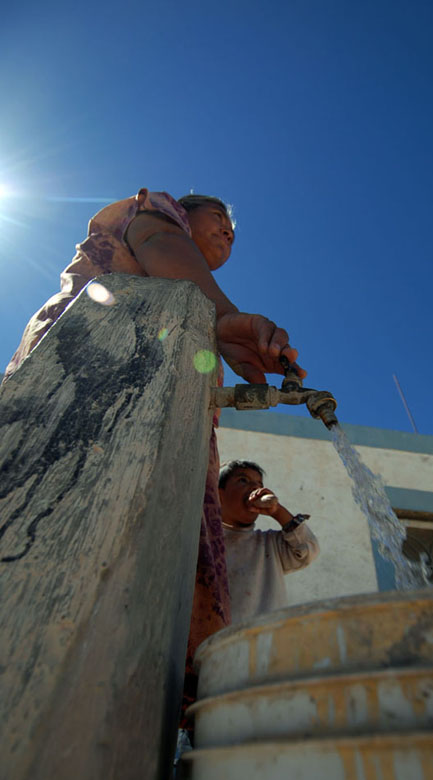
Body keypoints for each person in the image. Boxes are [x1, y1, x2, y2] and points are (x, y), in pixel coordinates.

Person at [3, 188, 306, 711]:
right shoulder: (157, 213)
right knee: (61, 558)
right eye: (218, 217)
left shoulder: (193, 304)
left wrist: (216, 327)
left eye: (233, 231)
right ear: (184, 212)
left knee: (131, 594)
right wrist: (225, 314)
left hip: (146, 413)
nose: (229, 231)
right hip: (89, 371)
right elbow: (160, 241)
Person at [219, 460, 320, 624]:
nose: (254, 488)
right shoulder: (205, 543)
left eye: (258, 484)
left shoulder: (269, 544)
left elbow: (308, 550)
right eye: (243, 480)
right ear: (219, 495)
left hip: (265, 644)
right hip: (215, 643)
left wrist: (277, 511)